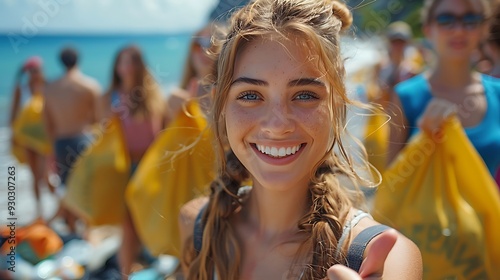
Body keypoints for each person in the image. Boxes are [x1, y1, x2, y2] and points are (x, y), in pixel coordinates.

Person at [178, 0, 423, 279]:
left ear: (338, 105)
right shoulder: (198, 227)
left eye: (305, 95)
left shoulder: (382, 259)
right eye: (249, 95)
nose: (277, 125)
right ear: (219, 107)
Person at [388, 0, 500, 177]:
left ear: (483, 29)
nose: (458, 30)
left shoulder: (498, 93)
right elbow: (391, 185)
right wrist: (422, 144)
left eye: (470, 20)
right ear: (428, 29)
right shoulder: (406, 96)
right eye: (446, 19)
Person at [99, 45, 166, 278]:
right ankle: (126, 273)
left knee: (146, 223)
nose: (125, 68)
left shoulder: (152, 93)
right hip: (124, 170)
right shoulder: (111, 97)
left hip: (149, 170)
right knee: (128, 227)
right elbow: (103, 137)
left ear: (139, 65)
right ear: (116, 67)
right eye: (121, 62)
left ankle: (143, 267)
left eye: (130, 62)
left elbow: (165, 132)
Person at [44, 47, 101, 187]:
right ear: (78, 60)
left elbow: (47, 122)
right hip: (84, 139)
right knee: (87, 188)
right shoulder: (90, 85)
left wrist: (51, 149)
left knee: (67, 188)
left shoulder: (50, 88)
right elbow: (99, 118)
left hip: (61, 142)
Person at [9, 56, 53, 219]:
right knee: (35, 174)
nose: (35, 74)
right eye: (32, 71)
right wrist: (13, 135)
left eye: (37, 70)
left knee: (46, 174)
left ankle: (58, 206)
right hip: (26, 138)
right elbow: (14, 113)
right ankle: (39, 210)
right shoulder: (21, 88)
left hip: (44, 138)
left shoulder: (48, 87)